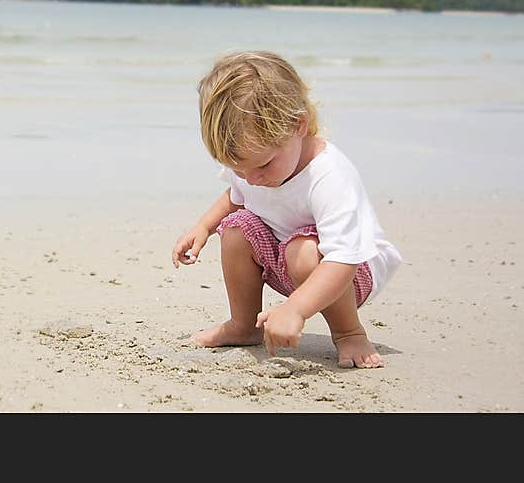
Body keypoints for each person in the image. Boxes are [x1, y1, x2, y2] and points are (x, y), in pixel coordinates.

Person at [171, 51, 402, 368]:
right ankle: (243, 325)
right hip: (286, 259)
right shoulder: (255, 167)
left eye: (263, 165)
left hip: (350, 273)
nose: (253, 178)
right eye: (239, 169)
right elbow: (236, 197)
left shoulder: (329, 176)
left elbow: (344, 259)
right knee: (237, 230)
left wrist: (295, 308)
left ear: (298, 125)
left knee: (302, 251)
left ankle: (349, 332)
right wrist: (202, 227)